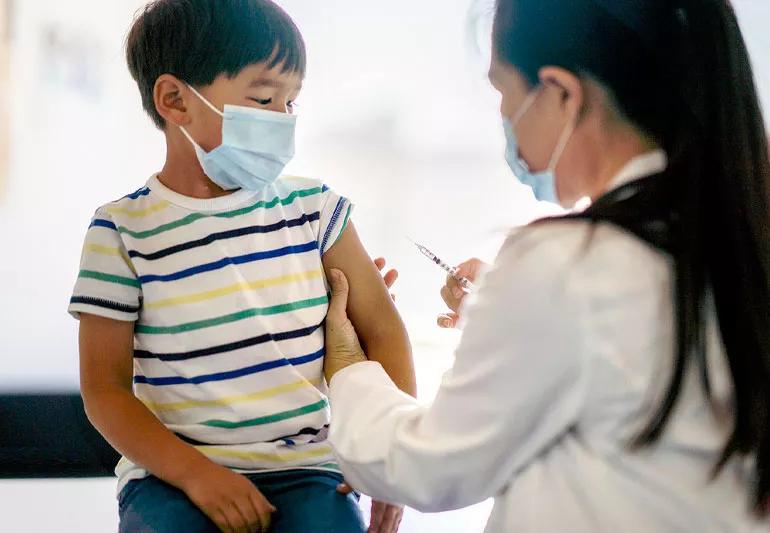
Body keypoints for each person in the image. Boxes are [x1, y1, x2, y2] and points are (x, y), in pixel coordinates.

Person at [322, 0, 770, 531]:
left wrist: (350, 369)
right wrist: (515, 320)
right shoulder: (740, 239)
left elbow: (427, 469)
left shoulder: (565, 265)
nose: (504, 117)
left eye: (502, 92)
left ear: (561, 93)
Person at [68, 1, 414, 532]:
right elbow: (104, 391)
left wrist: (395, 457)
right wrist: (196, 475)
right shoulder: (120, 231)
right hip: (171, 477)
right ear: (175, 99)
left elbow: (384, 330)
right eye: (263, 98)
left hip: (306, 470)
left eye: (291, 101)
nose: (283, 119)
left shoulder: (316, 211)